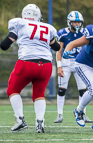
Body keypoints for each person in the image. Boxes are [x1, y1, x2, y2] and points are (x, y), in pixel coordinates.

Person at [0, 4, 60, 133]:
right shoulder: (47, 27)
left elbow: (4, 45)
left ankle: (20, 120)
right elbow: (56, 47)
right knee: (39, 94)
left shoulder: (20, 24)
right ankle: (40, 122)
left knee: (12, 90)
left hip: (27, 63)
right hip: (46, 66)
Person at [54, 11, 92, 124]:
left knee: (83, 91)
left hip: (79, 63)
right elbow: (59, 51)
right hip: (66, 63)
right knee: (62, 89)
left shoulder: (84, 33)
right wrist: (59, 66)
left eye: (79, 22)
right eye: (75, 22)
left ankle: (82, 113)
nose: (77, 24)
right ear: (69, 22)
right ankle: (59, 114)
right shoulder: (63, 33)